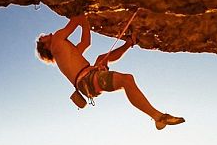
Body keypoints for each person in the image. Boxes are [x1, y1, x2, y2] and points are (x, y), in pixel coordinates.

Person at [36, 14, 185, 130]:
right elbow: (74, 22)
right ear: (45, 47)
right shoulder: (56, 41)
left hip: (88, 83)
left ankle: (129, 43)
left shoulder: (63, 51)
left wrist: (85, 21)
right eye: (42, 38)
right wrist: (81, 13)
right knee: (127, 80)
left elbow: (86, 42)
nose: (45, 34)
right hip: (89, 79)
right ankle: (158, 117)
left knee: (102, 59)